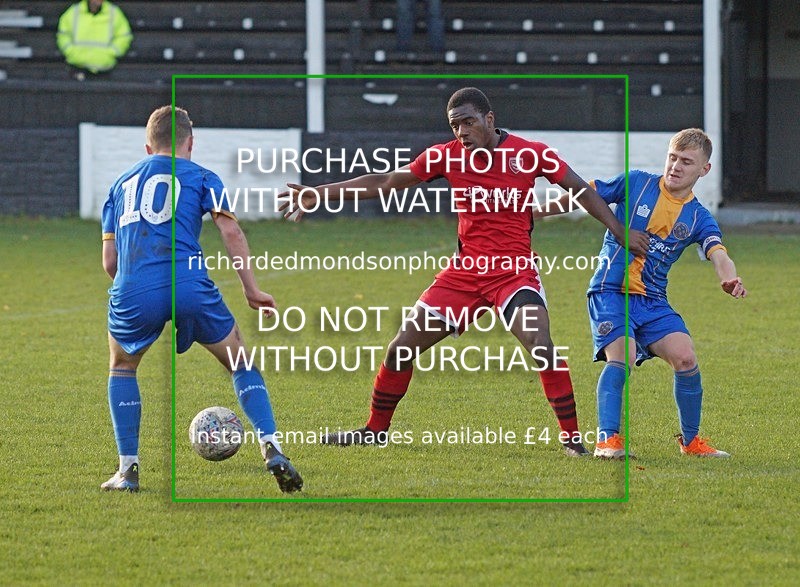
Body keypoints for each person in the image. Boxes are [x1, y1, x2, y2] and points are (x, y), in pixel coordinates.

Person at [278, 87, 650, 456]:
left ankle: (573, 442)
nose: (461, 132)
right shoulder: (446, 156)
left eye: (468, 122)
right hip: (465, 272)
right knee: (400, 349)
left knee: (542, 346)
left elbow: (580, 190)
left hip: (513, 272)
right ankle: (375, 430)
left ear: (489, 119)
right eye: (455, 125)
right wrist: (318, 193)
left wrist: (619, 232)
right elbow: (386, 182)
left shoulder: (532, 154)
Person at [100, 105, 302, 493]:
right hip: (190, 284)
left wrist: (136, 287)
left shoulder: (118, 185)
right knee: (241, 362)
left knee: (123, 368)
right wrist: (251, 289)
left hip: (133, 288)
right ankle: (272, 446)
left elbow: (110, 262)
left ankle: (128, 470)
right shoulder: (203, 176)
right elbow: (231, 233)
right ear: (190, 142)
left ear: (147, 147)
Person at [538, 128, 746, 459]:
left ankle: (691, 443)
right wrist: (535, 213)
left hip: (652, 301)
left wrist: (730, 278)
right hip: (610, 291)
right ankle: (608, 441)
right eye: (673, 157)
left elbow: (718, 252)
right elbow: (585, 193)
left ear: (704, 170)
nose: (676, 166)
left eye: (687, 162)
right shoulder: (637, 183)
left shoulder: (697, 217)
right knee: (624, 356)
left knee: (686, 357)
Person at [56, 0, 132, 78]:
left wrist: (112, 52)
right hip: (77, 68)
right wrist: (70, 51)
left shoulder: (114, 13)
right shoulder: (73, 12)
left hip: (104, 70)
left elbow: (124, 36)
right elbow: (63, 35)